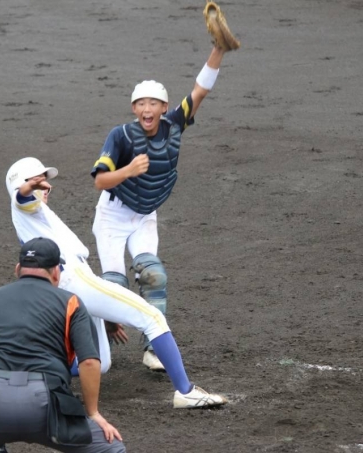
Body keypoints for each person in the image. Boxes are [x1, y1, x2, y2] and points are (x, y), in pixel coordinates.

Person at [5, 157, 227, 409]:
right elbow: (21, 197)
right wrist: (28, 187)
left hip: (74, 282)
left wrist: (105, 312)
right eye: (39, 180)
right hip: (75, 280)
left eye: (44, 181)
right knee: (152, 318)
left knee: (99, 361)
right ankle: (185, 391)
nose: (46, 186)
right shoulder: (25, 206)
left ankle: (31, 373)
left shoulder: (37, 214)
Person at [89, 45, 227, 370]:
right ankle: (97, 335)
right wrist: (128, 170)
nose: (146, 108)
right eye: (141, 103)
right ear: (134, 108)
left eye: (153, 103)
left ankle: (153, 349)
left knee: (153, 276)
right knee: (114, 287)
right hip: (112, 216)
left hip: (144, 215)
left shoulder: (174, 125)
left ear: (164, 107)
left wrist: (219, 50)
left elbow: (200, 90)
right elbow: (100, 181)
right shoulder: (120, 136)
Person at [0, 237, 125, 453]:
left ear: (18, 269)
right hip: (45, 404)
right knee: (111, 449)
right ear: (56, 272)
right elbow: (90, 362)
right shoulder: (70, 302)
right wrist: (93, 413)